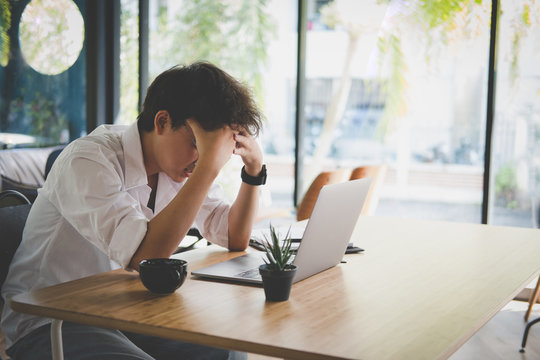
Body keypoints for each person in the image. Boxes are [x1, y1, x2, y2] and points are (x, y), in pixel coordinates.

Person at [1, 62, 266, 359]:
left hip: (124, 309)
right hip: (50, 320)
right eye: (199, 143)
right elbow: (146, 256)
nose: (203, 157)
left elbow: (232, 236)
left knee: (229, 353)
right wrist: (207, 165)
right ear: (162, 121)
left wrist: (254, 172)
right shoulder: (88, 159)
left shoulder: (176, 168)